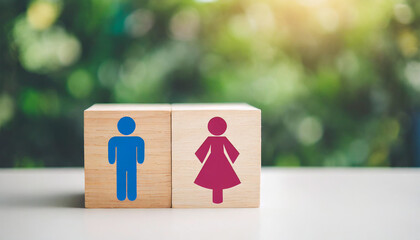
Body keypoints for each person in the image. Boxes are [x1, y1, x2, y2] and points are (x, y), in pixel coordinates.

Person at [194, 117, 240, 204]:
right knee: (217, 179)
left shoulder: (214, 139)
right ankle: (217, 199)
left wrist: (201, 158)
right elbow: (233, 152)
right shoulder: (219, 139)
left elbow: (201, 152)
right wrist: (233, 157)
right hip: (221, 161)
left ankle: (217, 199)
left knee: (218, 179)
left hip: (213, 161)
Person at [108, 116, 145, 201]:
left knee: (123, 177)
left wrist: (112, 160)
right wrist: (140, 160)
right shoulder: (137, 139)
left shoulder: (114, 140)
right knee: (130, 177)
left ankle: (122, 196)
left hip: (121, 163)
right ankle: (130, 196)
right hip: (130, 163)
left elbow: (111, 153)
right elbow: (141, 152)